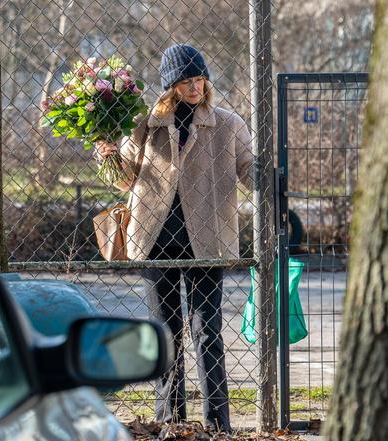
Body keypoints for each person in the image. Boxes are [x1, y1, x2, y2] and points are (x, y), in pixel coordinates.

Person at [95, 44, 253, 432]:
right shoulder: (146, 125)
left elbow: (249, 167)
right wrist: (107, 154)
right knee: (166, 334)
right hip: (155, 239)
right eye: (186, 81)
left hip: (208, 241)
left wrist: (271, 177)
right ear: (171, 86)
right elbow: (125, 177)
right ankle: (171, 421)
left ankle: (219, 425)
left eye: (199, 78)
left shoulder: (227, 124)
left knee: (207, 331)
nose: (196, 86)